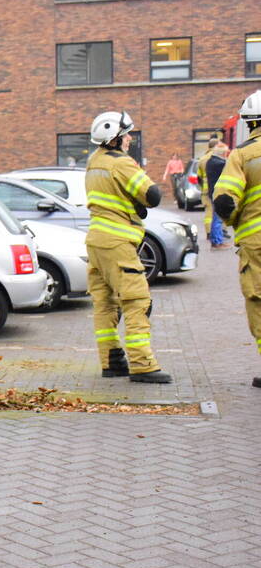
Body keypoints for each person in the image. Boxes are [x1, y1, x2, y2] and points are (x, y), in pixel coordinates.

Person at [85, 110, 171, 383]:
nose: (130, 139)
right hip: (119, 242)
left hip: (96, 241)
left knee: (105, 304)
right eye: (126, 134)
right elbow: (152, 195)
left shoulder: (94, 161)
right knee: (137, 301)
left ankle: (112, 361)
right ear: (115, 138)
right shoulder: (122, 163)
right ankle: (142, 365)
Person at [212, 89, 261, 388]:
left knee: (259, 300)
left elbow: (225, 202)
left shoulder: (242, 155)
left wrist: (232, 221)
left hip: (256, 242)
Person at [205, 143, 232, 249]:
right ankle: (217, 242)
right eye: (226, 153)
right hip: (218, 193)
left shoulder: (211, 161)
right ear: (223, 153)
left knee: (216, 218)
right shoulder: (219, 163)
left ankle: (217, 240)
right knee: (218, 219)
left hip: (213, 192)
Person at [198, 137, 220, 235]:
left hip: (205, 190)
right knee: (218, 211)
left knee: (208, 212)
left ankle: (208, 232)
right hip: (216, 188)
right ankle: (218, 234)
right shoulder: (217, 157)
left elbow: (199, 177)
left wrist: (203, 187)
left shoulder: (202, 159)